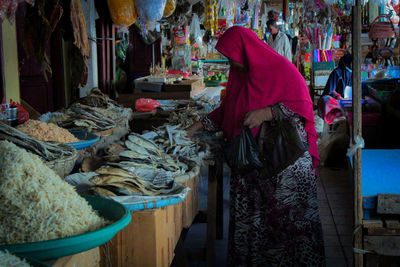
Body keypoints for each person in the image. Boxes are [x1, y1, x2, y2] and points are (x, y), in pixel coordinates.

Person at [187, 26, 325, 266]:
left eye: (232, 55)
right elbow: (227, 110)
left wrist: (267, 112)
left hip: (284, 167)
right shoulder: (240, 76)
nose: (230, 61)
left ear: (245, 50)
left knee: (286, 228)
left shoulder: (280, 68)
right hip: (252, 168)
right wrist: (196, 126)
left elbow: (302, 103)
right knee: (255, 228)